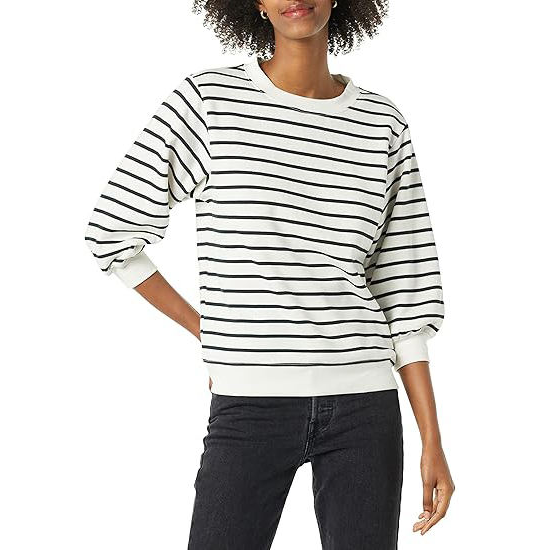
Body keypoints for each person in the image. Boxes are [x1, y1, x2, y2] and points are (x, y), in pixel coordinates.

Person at [84, 0, 455, 547]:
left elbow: (405, 288)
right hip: (249, 405)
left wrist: (432, 439)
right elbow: (111, 233)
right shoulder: (208, 102)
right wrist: (210, 330)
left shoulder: (382, 123)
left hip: (365, 406)